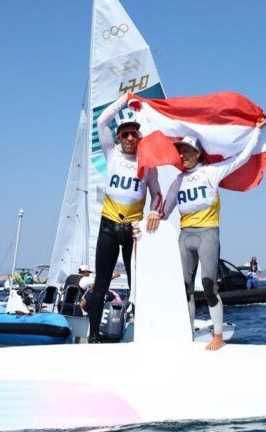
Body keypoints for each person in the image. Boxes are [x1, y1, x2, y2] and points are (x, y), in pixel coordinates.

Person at [161, 119, 266, 350]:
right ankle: (187, 334)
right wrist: (150, 216)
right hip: (185, 236)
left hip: (207, 233)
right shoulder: (177, 181)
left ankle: (217, 336)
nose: (183, 155)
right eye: (180, 151)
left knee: (209, 284)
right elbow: (163, 212)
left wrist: (257, 133)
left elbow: (240, 158)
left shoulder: (211, 172)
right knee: (184, 287)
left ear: (198, 153)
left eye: (187, 151)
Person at [87, 94, 162, 343]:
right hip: (108, 227)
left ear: (139, 137)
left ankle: (143, 331)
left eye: (134, 134)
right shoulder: (112, 154)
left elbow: (157, 194)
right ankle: (94, 335)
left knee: (137, 285)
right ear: (119, 138)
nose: (130, 138)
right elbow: (101, 122)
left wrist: (153, 212)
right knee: (101, 283)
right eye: (125, 134)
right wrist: (125, 99)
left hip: (133, 231)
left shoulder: (148, 164)